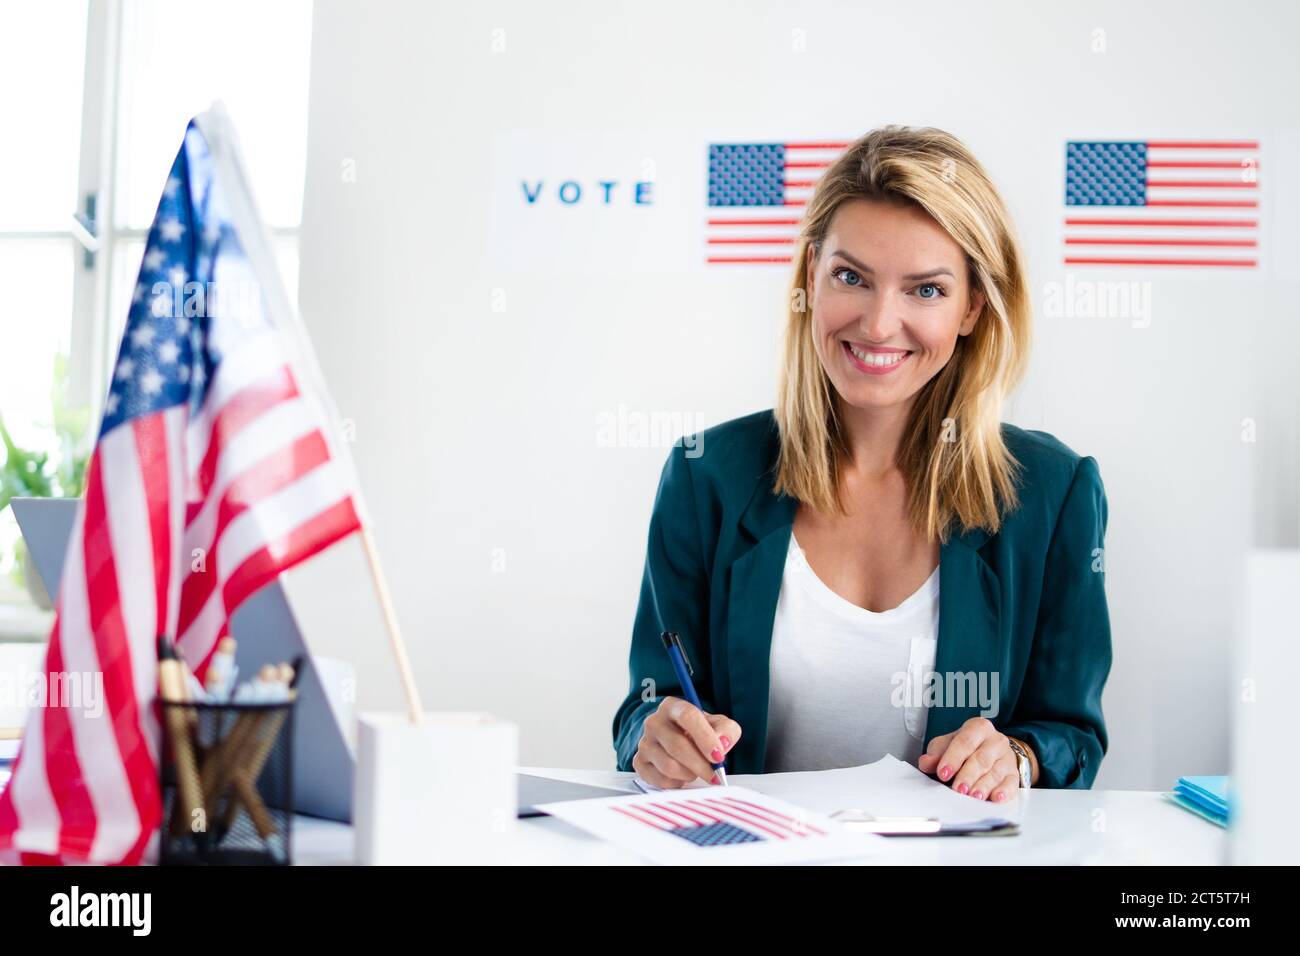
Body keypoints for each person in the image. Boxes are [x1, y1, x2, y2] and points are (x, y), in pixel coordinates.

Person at [612, 125, 1111, 803]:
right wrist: (654, 734)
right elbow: (646, 708)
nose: (879, 324)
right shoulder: (706, 476)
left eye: (925, 290)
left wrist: (1017, 756)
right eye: (852, 277)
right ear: (811, 277)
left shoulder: (1054, 492)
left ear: (973, 305)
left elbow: (1072, 736)